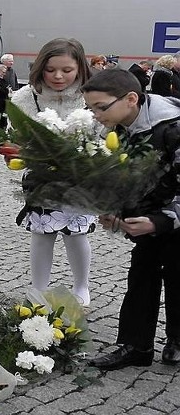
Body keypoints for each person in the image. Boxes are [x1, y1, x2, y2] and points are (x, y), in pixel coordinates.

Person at [81, 69, 180, 370]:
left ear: (131, 99)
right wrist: (113, 208)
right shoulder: (116, 127)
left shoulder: (172, 128)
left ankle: (176, 339)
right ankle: (135, 346)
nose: (95, 115)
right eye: (90, 108)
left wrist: (162, 221)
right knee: (140, 277)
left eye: (100, 107)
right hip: (147, 218)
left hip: (172, 219)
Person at [10, 38, 94, 306]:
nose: (58, 76)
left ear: (80, 68)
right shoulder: (26, 98)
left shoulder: (92, 97)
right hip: (41, 178)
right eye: (50, 69)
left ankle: (81, 286)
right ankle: (38, 289)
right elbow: (15, 140)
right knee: (42, 233)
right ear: (40, 68)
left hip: (80, 179)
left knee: (76, 234)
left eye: (67, 70)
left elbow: (105, 136)